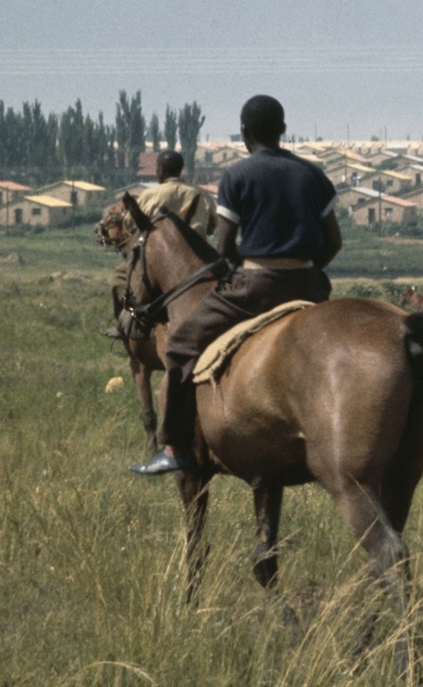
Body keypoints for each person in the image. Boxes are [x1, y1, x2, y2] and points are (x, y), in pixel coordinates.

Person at [131, 95, 341, 477]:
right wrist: (307, 271)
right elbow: (333, 243)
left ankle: (175, 447)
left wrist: (246, 270)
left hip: (254, 287)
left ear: (244, 133)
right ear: (283, 130)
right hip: (310, 286)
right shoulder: (313, 175)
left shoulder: (237, 176)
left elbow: (225, 248)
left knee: (179, 347)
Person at [110, 149, 217, 305]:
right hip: (198, 259)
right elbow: (212, 227)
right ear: (181, 170)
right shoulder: (202, 195)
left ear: (160, 170)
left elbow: (130, 224)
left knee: (119, 277)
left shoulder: (150, 195)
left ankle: (126, 318)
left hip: (159, 259)